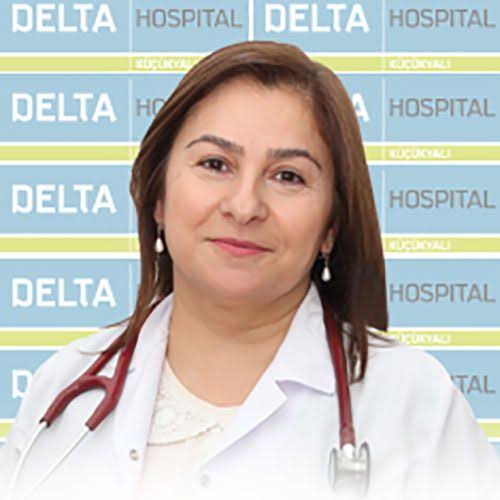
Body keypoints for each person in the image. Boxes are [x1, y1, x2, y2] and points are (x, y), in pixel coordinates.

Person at [0, 40, 498, 500]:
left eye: (288, 176)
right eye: (215, 164)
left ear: (330, 227)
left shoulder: (414, 406)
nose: (244, 207)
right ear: (157, 197)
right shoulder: (62, 388)